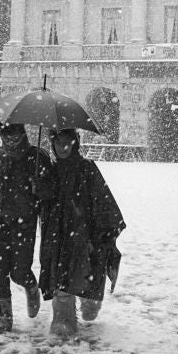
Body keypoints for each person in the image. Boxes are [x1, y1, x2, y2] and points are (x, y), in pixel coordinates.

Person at [39, 127, 126, 338]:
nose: (62, 147)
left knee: (86, 270)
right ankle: (63, 319)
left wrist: (103, 230)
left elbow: (102, 199)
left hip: (84, 232)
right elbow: (44, 201)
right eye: (58, 143)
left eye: (66, 142)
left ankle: (90, 300)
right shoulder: (50, 170)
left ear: (74, 143)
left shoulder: (87, 168)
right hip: (57, 233)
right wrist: (39, 188)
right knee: (60, 273)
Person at [0, 122, 53, 335]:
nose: (11, 138)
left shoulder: (37, 157)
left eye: (15, 134)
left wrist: (39, 186)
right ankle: (4, 316)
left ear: (22, 132)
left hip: (25, 220)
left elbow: (51, 191)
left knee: (19, 270)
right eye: (6, 134)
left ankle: (31, 287)